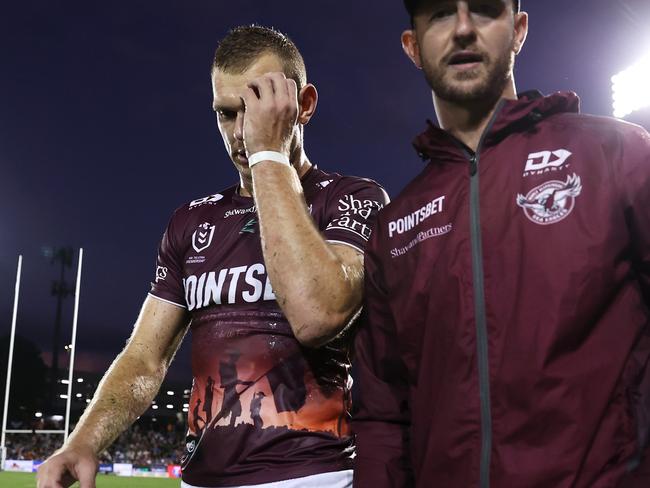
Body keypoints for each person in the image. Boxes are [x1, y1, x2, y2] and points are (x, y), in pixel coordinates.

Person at [37, 25, 388, 488]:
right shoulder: (191, 221)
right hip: (201, 479)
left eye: (256, 109)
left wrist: (269, 156)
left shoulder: (351, 198)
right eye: (226, 113)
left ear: (302, 105)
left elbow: (318, 314)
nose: (241, 132)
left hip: (314, 476)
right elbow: (145, 358)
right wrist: (83, 441)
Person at [352, 1, 650, 487]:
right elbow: (385, 416)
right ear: (413, 46)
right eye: (443, 14)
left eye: (486, 10)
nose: (464, 29)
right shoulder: (395, 226)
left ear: (518, 29)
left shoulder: (617, 154)